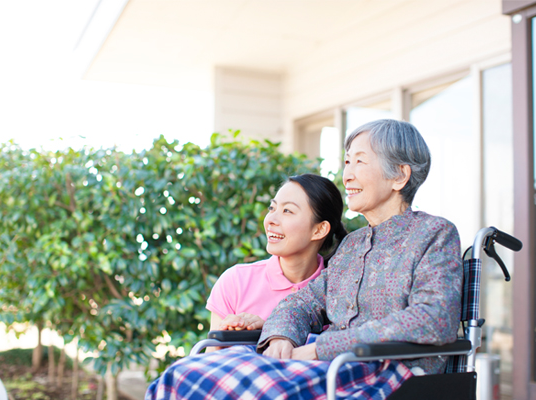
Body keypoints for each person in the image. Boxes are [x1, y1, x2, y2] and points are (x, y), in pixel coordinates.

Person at [146, 119, 463, 400]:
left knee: (250, 387)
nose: (347, 174)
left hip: (387, 373)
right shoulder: (352, 245)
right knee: (190, 373)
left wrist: (321, 349)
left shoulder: (434, 234)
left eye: (360, 162)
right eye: (347, 162)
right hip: (334, 366)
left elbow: (433, 318)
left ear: (399, 177)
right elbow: (304, 301)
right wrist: (282, 334)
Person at [206, 173, 347, 334]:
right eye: (272, 208)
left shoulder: (342, 291)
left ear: (319, 229)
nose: (271, 219)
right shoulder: (235, 281)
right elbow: (212, 354)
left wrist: (270, 331)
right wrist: (227, 334)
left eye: (287, 210)